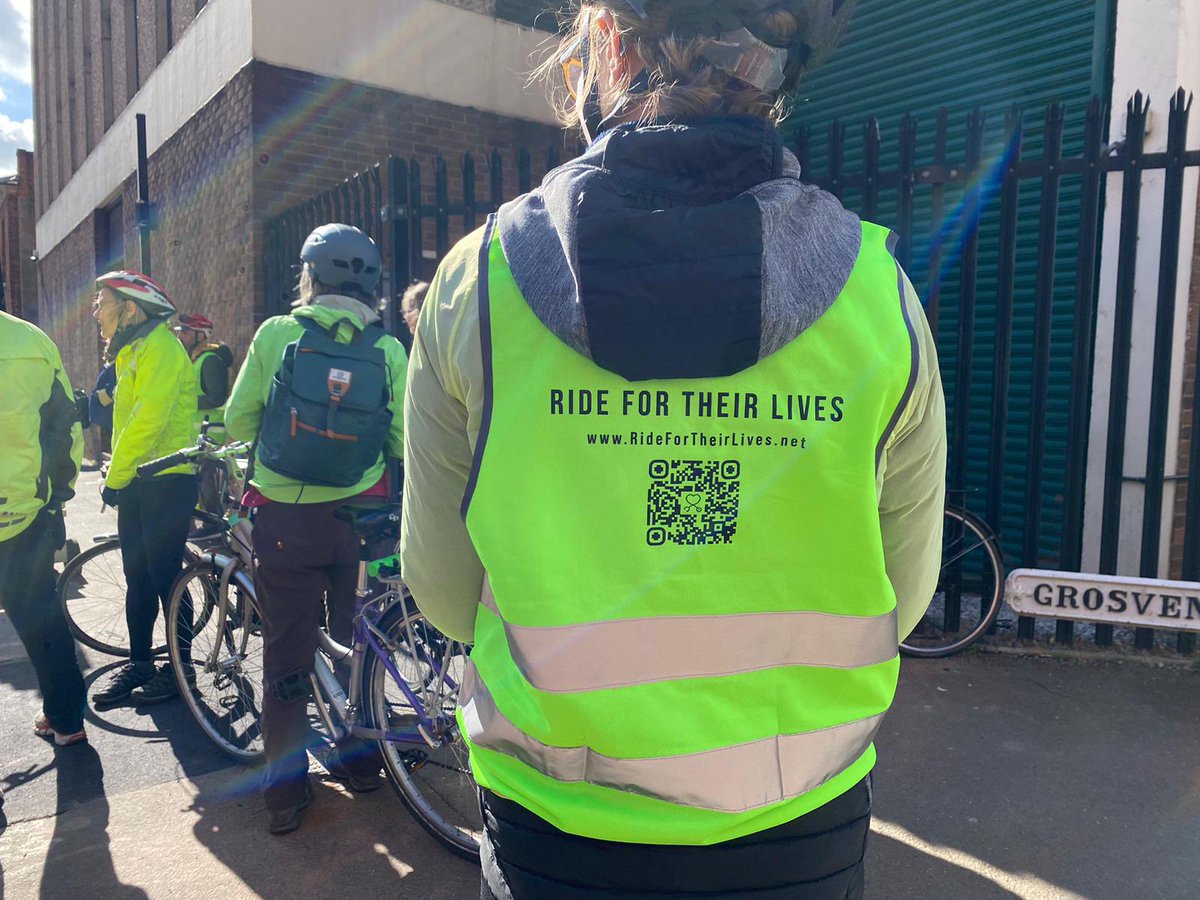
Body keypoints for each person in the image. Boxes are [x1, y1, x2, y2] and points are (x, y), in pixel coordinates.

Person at [400, 2, 948, 897]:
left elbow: (443, 591)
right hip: (797, 830)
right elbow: (907, 591)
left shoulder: (477, 283)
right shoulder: (878, 296)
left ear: (608, 42)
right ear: (786, 70)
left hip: (558, 832)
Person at [224, 224, 408, 835]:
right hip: (358, 524)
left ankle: (284, 799)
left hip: (286, 523)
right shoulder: (387, 348)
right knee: (358, 643)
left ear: (310, 278)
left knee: (286, 656)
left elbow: (236, 418)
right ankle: (364, 768)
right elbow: (402, 438)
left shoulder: (279, 334)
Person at [91, 271, 199, 708]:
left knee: (165, 576)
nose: (97, 311)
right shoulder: (132, 350)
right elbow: (127, 423)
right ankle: (140, 664)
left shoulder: (162, 348)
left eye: (103, 302)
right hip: (138, 479)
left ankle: (180, 670)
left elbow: (148, 421)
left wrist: (115, 477)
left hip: (168, 479)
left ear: (130, 308)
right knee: (137, 576)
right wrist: (118, 472)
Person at [1, 310, 88, 747]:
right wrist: (56, 495)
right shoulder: (31, 341)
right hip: (24, 514)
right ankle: (67, 720)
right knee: (42, 621)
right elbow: (65, 425)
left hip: (26, 510)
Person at [173, 313, 234, 434]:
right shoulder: (195, 359)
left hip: (208, 438)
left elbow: (216, 398)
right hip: (194, 437)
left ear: (200, 336)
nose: (179, 337)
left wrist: (182, 401)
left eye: (185, 333)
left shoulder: (210, 361)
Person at [89, 360, 116, 458]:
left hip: (106, 414)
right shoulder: (110, 366)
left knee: (111, 444)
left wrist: (98, 395)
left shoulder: (114, 367)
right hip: (103, 414)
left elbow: (112, 390)